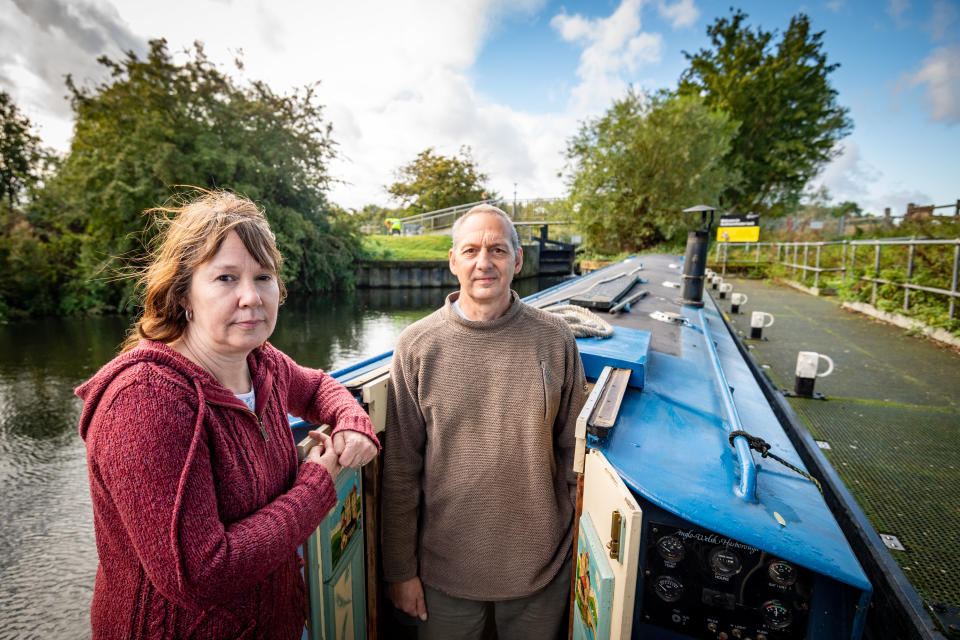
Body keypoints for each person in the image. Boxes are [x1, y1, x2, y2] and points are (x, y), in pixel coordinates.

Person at [76, 191, 379, 639]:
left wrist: (352, 420)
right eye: (225, 278)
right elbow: (199, 575)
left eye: (263, 277)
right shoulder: (146, 402)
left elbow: (316, 386)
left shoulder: (262, 363)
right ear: (184, 294)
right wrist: (316, 485)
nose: (251, 297)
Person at [381, 203, 587, 639]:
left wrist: (575, 555)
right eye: (471, 250)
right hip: (444, 569)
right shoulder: (417, 346)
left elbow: (574, 455)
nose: (483, 262)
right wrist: (400, 571)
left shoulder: (555, 339)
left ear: (517, 260)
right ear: (453, 260)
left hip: (543, 566)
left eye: (497, 249)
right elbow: (400, 471)